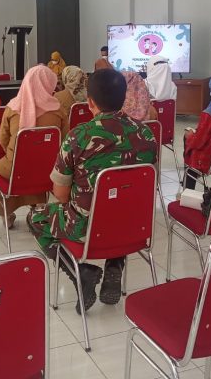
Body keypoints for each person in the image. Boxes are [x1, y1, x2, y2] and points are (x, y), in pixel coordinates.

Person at [27, 68, 157, 312]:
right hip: (135, 225)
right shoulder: (146, 133)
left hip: (87, 228)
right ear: (124, 97)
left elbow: (61, 195)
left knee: (36, 218)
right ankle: (115, 267)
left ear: (90, 102)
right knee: (119, 207)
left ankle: (81, 272)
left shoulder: (80, 136)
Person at [0, 65, 68, 228]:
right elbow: (64, 140)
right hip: (47, 169)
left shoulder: (12, 107)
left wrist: (14, 154)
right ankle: (37, 208)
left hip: (14, 168)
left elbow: (2, 138)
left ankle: (7, 215)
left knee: (0, 169)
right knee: (38, 165)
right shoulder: (58, 109)